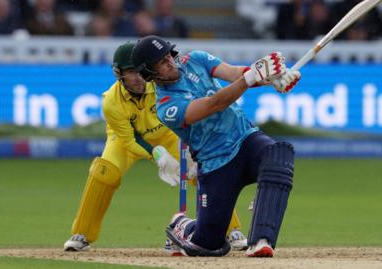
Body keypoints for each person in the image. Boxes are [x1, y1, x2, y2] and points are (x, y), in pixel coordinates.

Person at [63, 42, 249, 253]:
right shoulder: (111, 103)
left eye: (140, 71)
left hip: (167, 134)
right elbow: (130, 139)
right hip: (125, 141)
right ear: (119, 74)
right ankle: (82, 234)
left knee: (201, 170)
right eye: (131, 72)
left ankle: (230, 229)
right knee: (104, 172)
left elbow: (187, 107)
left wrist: (192, 147)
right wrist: (157, 155)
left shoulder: (160, 83)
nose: (138, 77)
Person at [129, 35, 301, 257]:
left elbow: (237, 74)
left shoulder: (195, 59)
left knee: (278, 155)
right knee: (207, 244)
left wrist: (273, 78)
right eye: (161, 63)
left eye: (168, 56)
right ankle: (183, 225)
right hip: (216, 164)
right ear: (149, 74)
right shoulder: (166, 107)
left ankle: (261, 240)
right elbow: (215, 104)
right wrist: (250, 78)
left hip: (245, 139)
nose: (170, 62)